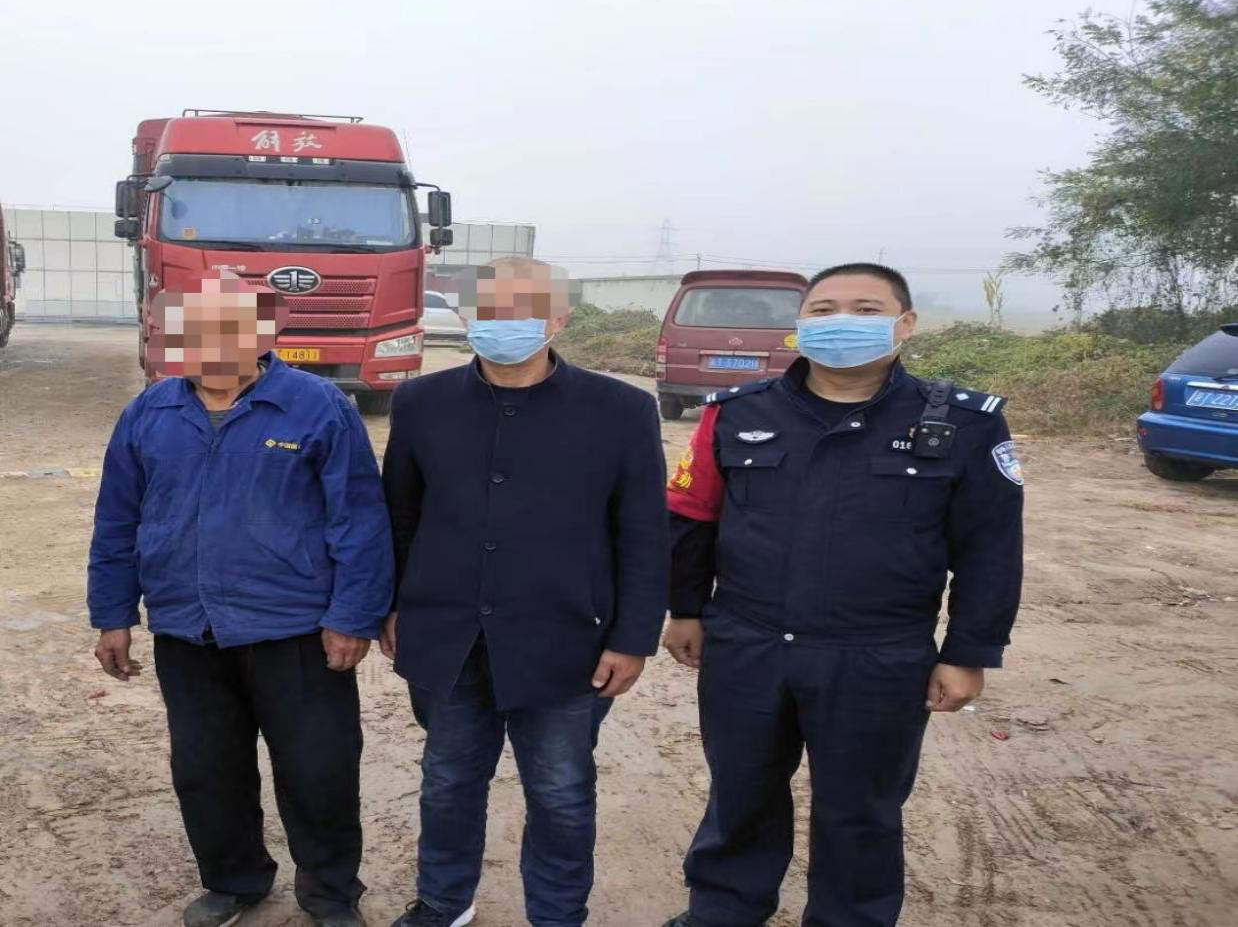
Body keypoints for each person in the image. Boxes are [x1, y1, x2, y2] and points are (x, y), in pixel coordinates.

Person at [660, 263, 1024, 927]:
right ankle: (722, 911)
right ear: (800, 326)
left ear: (905, 325)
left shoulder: (964, 424)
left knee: (861, 811)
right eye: (823, 310)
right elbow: (692, 516)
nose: (842, 322)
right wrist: (685, 608)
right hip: (748, 645)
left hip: (878, 656)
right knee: (741, 794)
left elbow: (990, 549)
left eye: (865, 309)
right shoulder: (737, 413)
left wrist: (968, 652)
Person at [88, 272, 393, 927]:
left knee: (318, 770)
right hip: (188, 629)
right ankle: (234, 880)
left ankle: (330, 892)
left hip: (296, 629)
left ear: (262, 332)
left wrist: (352, 616)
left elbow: (359, 518)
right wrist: (112, 614)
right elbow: (117, 519)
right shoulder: (150, 412)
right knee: (206, 768)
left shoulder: (317, 406)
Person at [380, 258, 670, 927]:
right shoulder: (421, 403)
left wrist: (633, 638)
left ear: (557, 318)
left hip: (565, 638)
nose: (500, 322)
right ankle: (444, 902)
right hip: (449, 634)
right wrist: (390, 604)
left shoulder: (621, 410)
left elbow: (643, 533)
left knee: (560, 792)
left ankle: (558, 913)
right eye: (486, 307)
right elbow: (399, 514)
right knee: (448, 781)